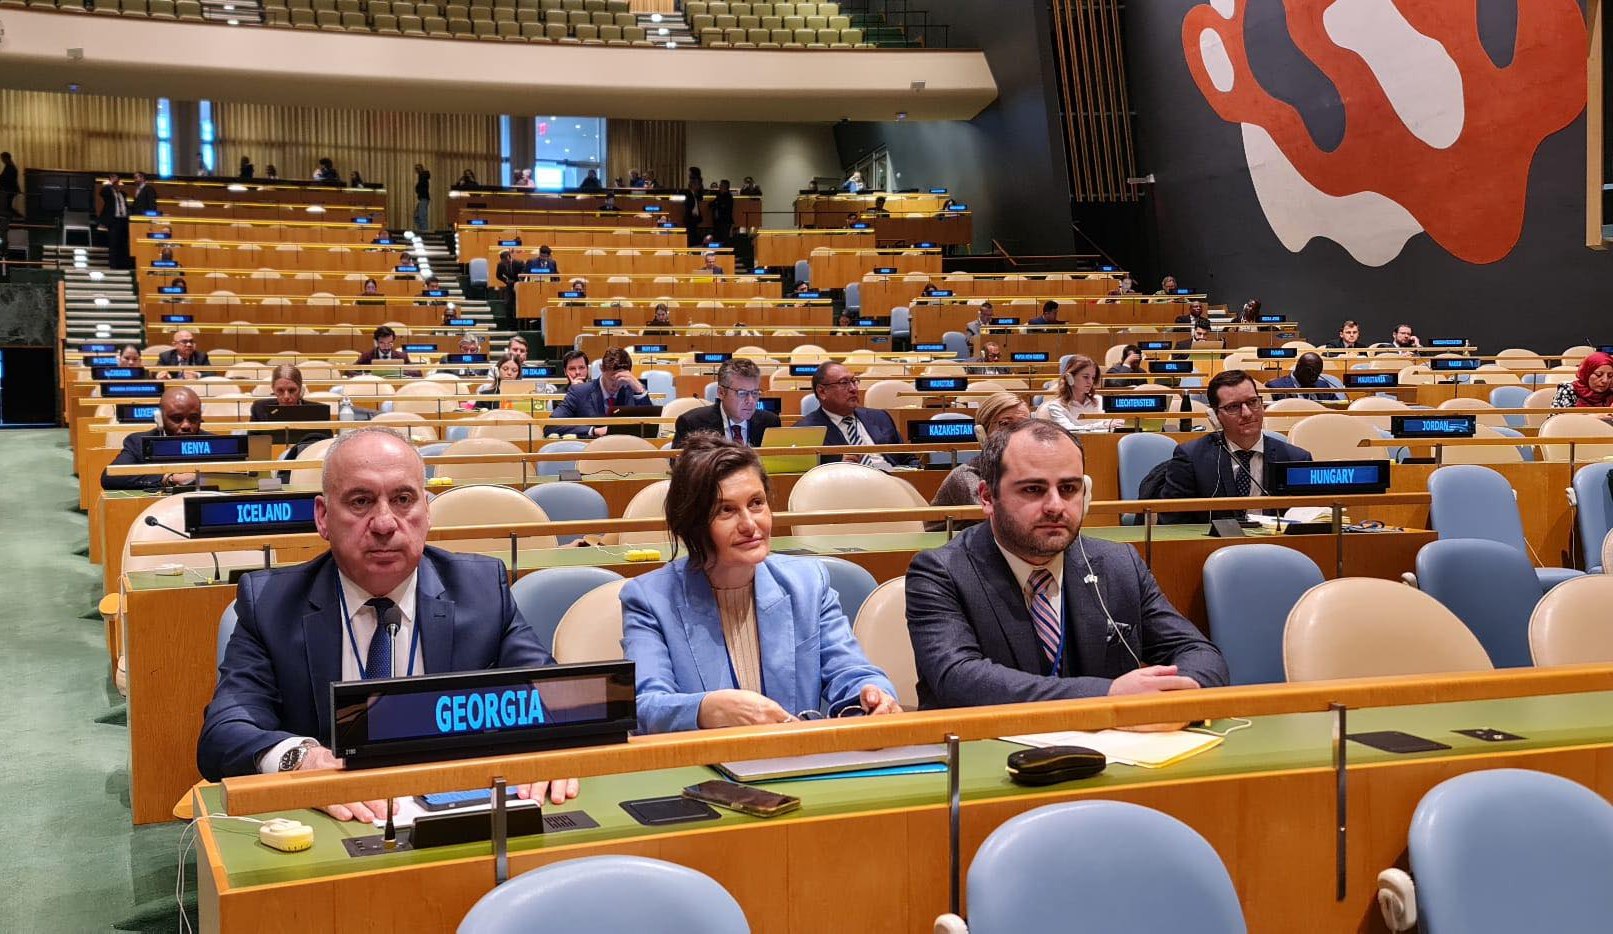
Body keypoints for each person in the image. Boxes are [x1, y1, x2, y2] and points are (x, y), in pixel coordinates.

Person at [196, 428, 579, 813]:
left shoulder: (481, 591)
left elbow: (558, 700)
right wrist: (305, 761)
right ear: (323, 517)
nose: (384, 523)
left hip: (452, 807)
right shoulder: (270, 605)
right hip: (339, 820)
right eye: (361, 501)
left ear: (426, 512)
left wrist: (548, 745)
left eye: (403, 500)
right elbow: (224, 733)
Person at [905, 420, 1228, 708]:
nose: (1056, 506)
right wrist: (1108, 696)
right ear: (987, 498)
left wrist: (1176, 695)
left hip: (1113, 749)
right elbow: (959, 679)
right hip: (985, 749)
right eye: (1033, 489)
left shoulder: (1119, 564)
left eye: (1069, 489)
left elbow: (1199, 653)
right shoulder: (941, 572)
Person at [621, 435, 900, 733]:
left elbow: (852, 671)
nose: (749, 525)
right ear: (693, 522)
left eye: (756, 503)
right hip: (703, 760)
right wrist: (705, 710)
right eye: (726, 510)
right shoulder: (649, 599)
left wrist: (873, 694)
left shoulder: (808, 583)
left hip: (796, 756)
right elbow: (644, 706)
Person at [1157, 369, 1312, 522]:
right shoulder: (1191, 458)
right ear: (1216, 416)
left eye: (1252, 402)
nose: (1247, 413)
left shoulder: (1295, 459)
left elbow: (1310, 519)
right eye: (1233, 407)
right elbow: (1172, 522)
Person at [925, 392, 1030, 532]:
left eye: (1024, 425)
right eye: (1005, 423)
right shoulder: (965, 476)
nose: (1016, 432)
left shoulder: (1027, 471)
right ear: (982, 433)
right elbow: (1004, 521)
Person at [796, 362, 916, 469]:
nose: (853, 389)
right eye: (844, 383)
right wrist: (835, 466)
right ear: (822, 391)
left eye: (854, 381)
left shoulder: (880, 417)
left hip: (891, 480)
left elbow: (908, 459)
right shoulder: (805, 431)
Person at [100, 387, 214, 491]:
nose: (186, 425)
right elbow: (110, 477)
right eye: (177, 418)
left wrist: (204, 478)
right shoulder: (139, 442)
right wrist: (168, 478)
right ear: (160, 419)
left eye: (193, 418)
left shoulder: (215, 443)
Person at [545, 347, 652, 438]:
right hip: (591, 451)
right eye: (612, 379)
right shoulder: (579, 392)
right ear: (601, 369)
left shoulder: (634, 390)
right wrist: (593, 431)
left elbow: (650, 430)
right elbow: (551, 426)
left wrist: (640, 391)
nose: (616, 384)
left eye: (621, 380)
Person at [671, 358, 780, 448]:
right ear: (721, 393)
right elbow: (680, 465)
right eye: (742, 393)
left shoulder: (770, 422)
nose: (751, 400)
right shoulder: (692, 424)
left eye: (755, 393)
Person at [1035, 354, 1109, 431]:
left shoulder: (1100, 400)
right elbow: (1069, 430)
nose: (1090, 382)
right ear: (1069, 377)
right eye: (1085, 377)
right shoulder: (1056, 406)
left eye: (1093, 378)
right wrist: (1103, 425)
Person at [1551, 351, 1613, 422]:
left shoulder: (1611, 392)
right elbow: (1555, 420)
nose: (1605, 380)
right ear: (1587, 373)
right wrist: (1593, 417)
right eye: (1598, 375)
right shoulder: (1568, 389)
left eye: (1610, 376)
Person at [1265, 352, 1344, 402]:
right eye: (1309, 371)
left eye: (1317, 373)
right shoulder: (1276, 387)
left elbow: (1337, 408)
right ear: (1298, 367)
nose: (1313, 378)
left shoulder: (1323, 386)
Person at [98, 173, 132, 270]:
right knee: (113, 244)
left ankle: (123, 265)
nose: (117, 184)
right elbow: (102, 192)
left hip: (123, 221)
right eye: (114, 181)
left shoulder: (123, 194)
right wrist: (111, 183)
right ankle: (113, 266)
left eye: (117, 182)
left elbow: (125, 206)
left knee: (123, 244)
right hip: (114, 221)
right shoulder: (108, 192)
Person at [683, 167, 704, 248]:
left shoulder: (694, 195)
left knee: (693, 236)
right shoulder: (689, 195)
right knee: (691, 238)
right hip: (690, 219)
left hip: (694, 219)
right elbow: (689, 208)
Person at [1, 151, 22, 219]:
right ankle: (16, 217)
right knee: (7, 206)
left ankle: (19, 217)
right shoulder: (9, 166)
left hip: (10, 190)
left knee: (7, 206)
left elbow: (7, 179)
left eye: (2, 158)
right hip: (10, 189)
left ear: (6, 158)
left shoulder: (10, 167)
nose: (2, 160)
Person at [410, 163, 430, 231]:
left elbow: (421, 187)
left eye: (417, 169)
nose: (416, 170)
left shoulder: (423, 176)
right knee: (416, 216)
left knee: (422, 216)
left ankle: (424, 231)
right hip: (422, 199)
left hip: (424, 198)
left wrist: (417, 188)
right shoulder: (421, 176)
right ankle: (421, 230)